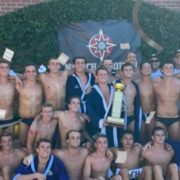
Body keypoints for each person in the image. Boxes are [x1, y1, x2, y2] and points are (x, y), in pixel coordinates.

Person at [86, 65, 123, 147]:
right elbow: (90, 111)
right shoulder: (91, 91)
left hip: (115, 127)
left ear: (108, 75)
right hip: (100, 128)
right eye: (101, 74)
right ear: (96, 76)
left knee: (116, 149)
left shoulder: (115, 89)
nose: (103, 76)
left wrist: (121, 110)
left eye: (105, 74)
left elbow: (121, 109)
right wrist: (100, 121)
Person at [16, 64, 43, 147]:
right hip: (24, 119)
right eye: (28, 72)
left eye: (33, 71)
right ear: (25, 74)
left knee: (36, 145)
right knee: (23, 145)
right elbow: (4, 74)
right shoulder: (19, 85)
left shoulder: (41, 85)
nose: (31, 74)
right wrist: (16, 77)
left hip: (37, 119)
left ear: (36, 73)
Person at [153, 61, 180, 141]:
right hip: (160, 117)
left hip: (174, 118)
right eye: (166, 68)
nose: (168, 70)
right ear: (162, 70)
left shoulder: (179, 83)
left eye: (171, 68)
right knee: (159, 143)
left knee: (175, 144)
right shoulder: (156, 82)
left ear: (174, 70)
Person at [120, 63, 141, 142]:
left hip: (131, 116)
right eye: (126, 70)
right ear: (122, 72)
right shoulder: (117, 84)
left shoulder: (135, 85)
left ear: (133, 71)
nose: (128, 72)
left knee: (131, 139)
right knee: (120, 139)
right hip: (120, 117)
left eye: (130, 70)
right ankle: (120, 155)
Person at [138, 61, 156, 142]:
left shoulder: (156, 82)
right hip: (140, 114)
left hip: (151, 114)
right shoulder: (136, 83)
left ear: (151, 69)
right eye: (144, 67)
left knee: (150, 137)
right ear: (140, 70)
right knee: (141, 138)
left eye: (149, 67)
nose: (147, 69)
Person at [0, 59, 16, 135]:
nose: (4, 69)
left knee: (10, 143)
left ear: (9, 69)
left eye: (6, 67)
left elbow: (24, 76)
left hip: (10, 118)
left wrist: (17, 77)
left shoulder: (13, 82)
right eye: (2, 67)